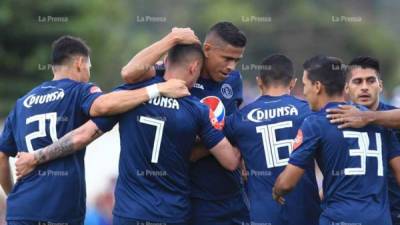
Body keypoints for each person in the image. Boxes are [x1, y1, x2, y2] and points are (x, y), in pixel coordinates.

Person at [14, 43, 242, 225]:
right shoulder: (197, 109)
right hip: (173, 213)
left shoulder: (131, 97)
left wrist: (36, 157)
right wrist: (237, 126)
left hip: (129, 213)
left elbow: (83, 135)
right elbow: (231, 162)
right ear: (193, 68)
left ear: (166, 63)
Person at [121, 22, 249, 225]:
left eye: (237, 60)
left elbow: (235, 128)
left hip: (232, 195)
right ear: (207, 49)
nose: (231, 66)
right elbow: (129, 73)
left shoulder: (234, 80)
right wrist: (172, 39)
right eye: (226, 58)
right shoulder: (172, 73)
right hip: (193, 198)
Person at [273, 55, 400, 225]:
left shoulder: (315, 123)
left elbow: (287, 183)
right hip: (381, 219)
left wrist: (277, 190)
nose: (303, 91)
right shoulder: (380, 122)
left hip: (340, 219)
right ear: (346, 87)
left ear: (317, 86)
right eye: (358, 82)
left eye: (305, 84)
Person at [223, 54, 321, 225]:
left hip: (263, 214)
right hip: (306, 213)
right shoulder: (309, 113)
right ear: (293, 82)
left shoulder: (239, 119)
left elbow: (211, 141)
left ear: (259, 81)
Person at [344, 56, 400, 224]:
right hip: (355, 215)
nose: (364, 88)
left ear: (380, 85)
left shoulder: (392, 116)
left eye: (370, 81)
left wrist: (367, 117)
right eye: (358, 82)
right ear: (347, 88)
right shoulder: (339, 119)